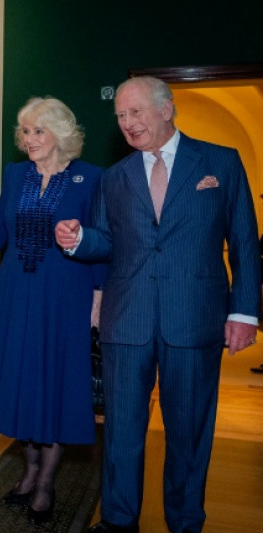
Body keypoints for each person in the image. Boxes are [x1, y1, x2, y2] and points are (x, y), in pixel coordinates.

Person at [55, 76, 260, 533]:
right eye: (121, 116)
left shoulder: (220, 164)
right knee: (123, 434)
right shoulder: (116, 177)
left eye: (136, 112)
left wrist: (244, 312)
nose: (128, 124)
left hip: (194, 318)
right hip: (127, 320)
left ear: (166, 109)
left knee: (188, 435)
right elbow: (106, 241)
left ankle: (185, 522)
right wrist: (78, 239)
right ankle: (118, 521)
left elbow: (245, 242)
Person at [0, 97, 104, 525]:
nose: (29, 140)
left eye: (38, 132)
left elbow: (103, 244)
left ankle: (46, 483)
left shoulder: (91, 179)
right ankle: (28, 472)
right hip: (16, 293)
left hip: (67, 297)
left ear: (61, 134)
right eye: (25, 132)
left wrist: (98, 304)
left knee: (55, 385)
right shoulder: (16, 173)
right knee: (23, 382)